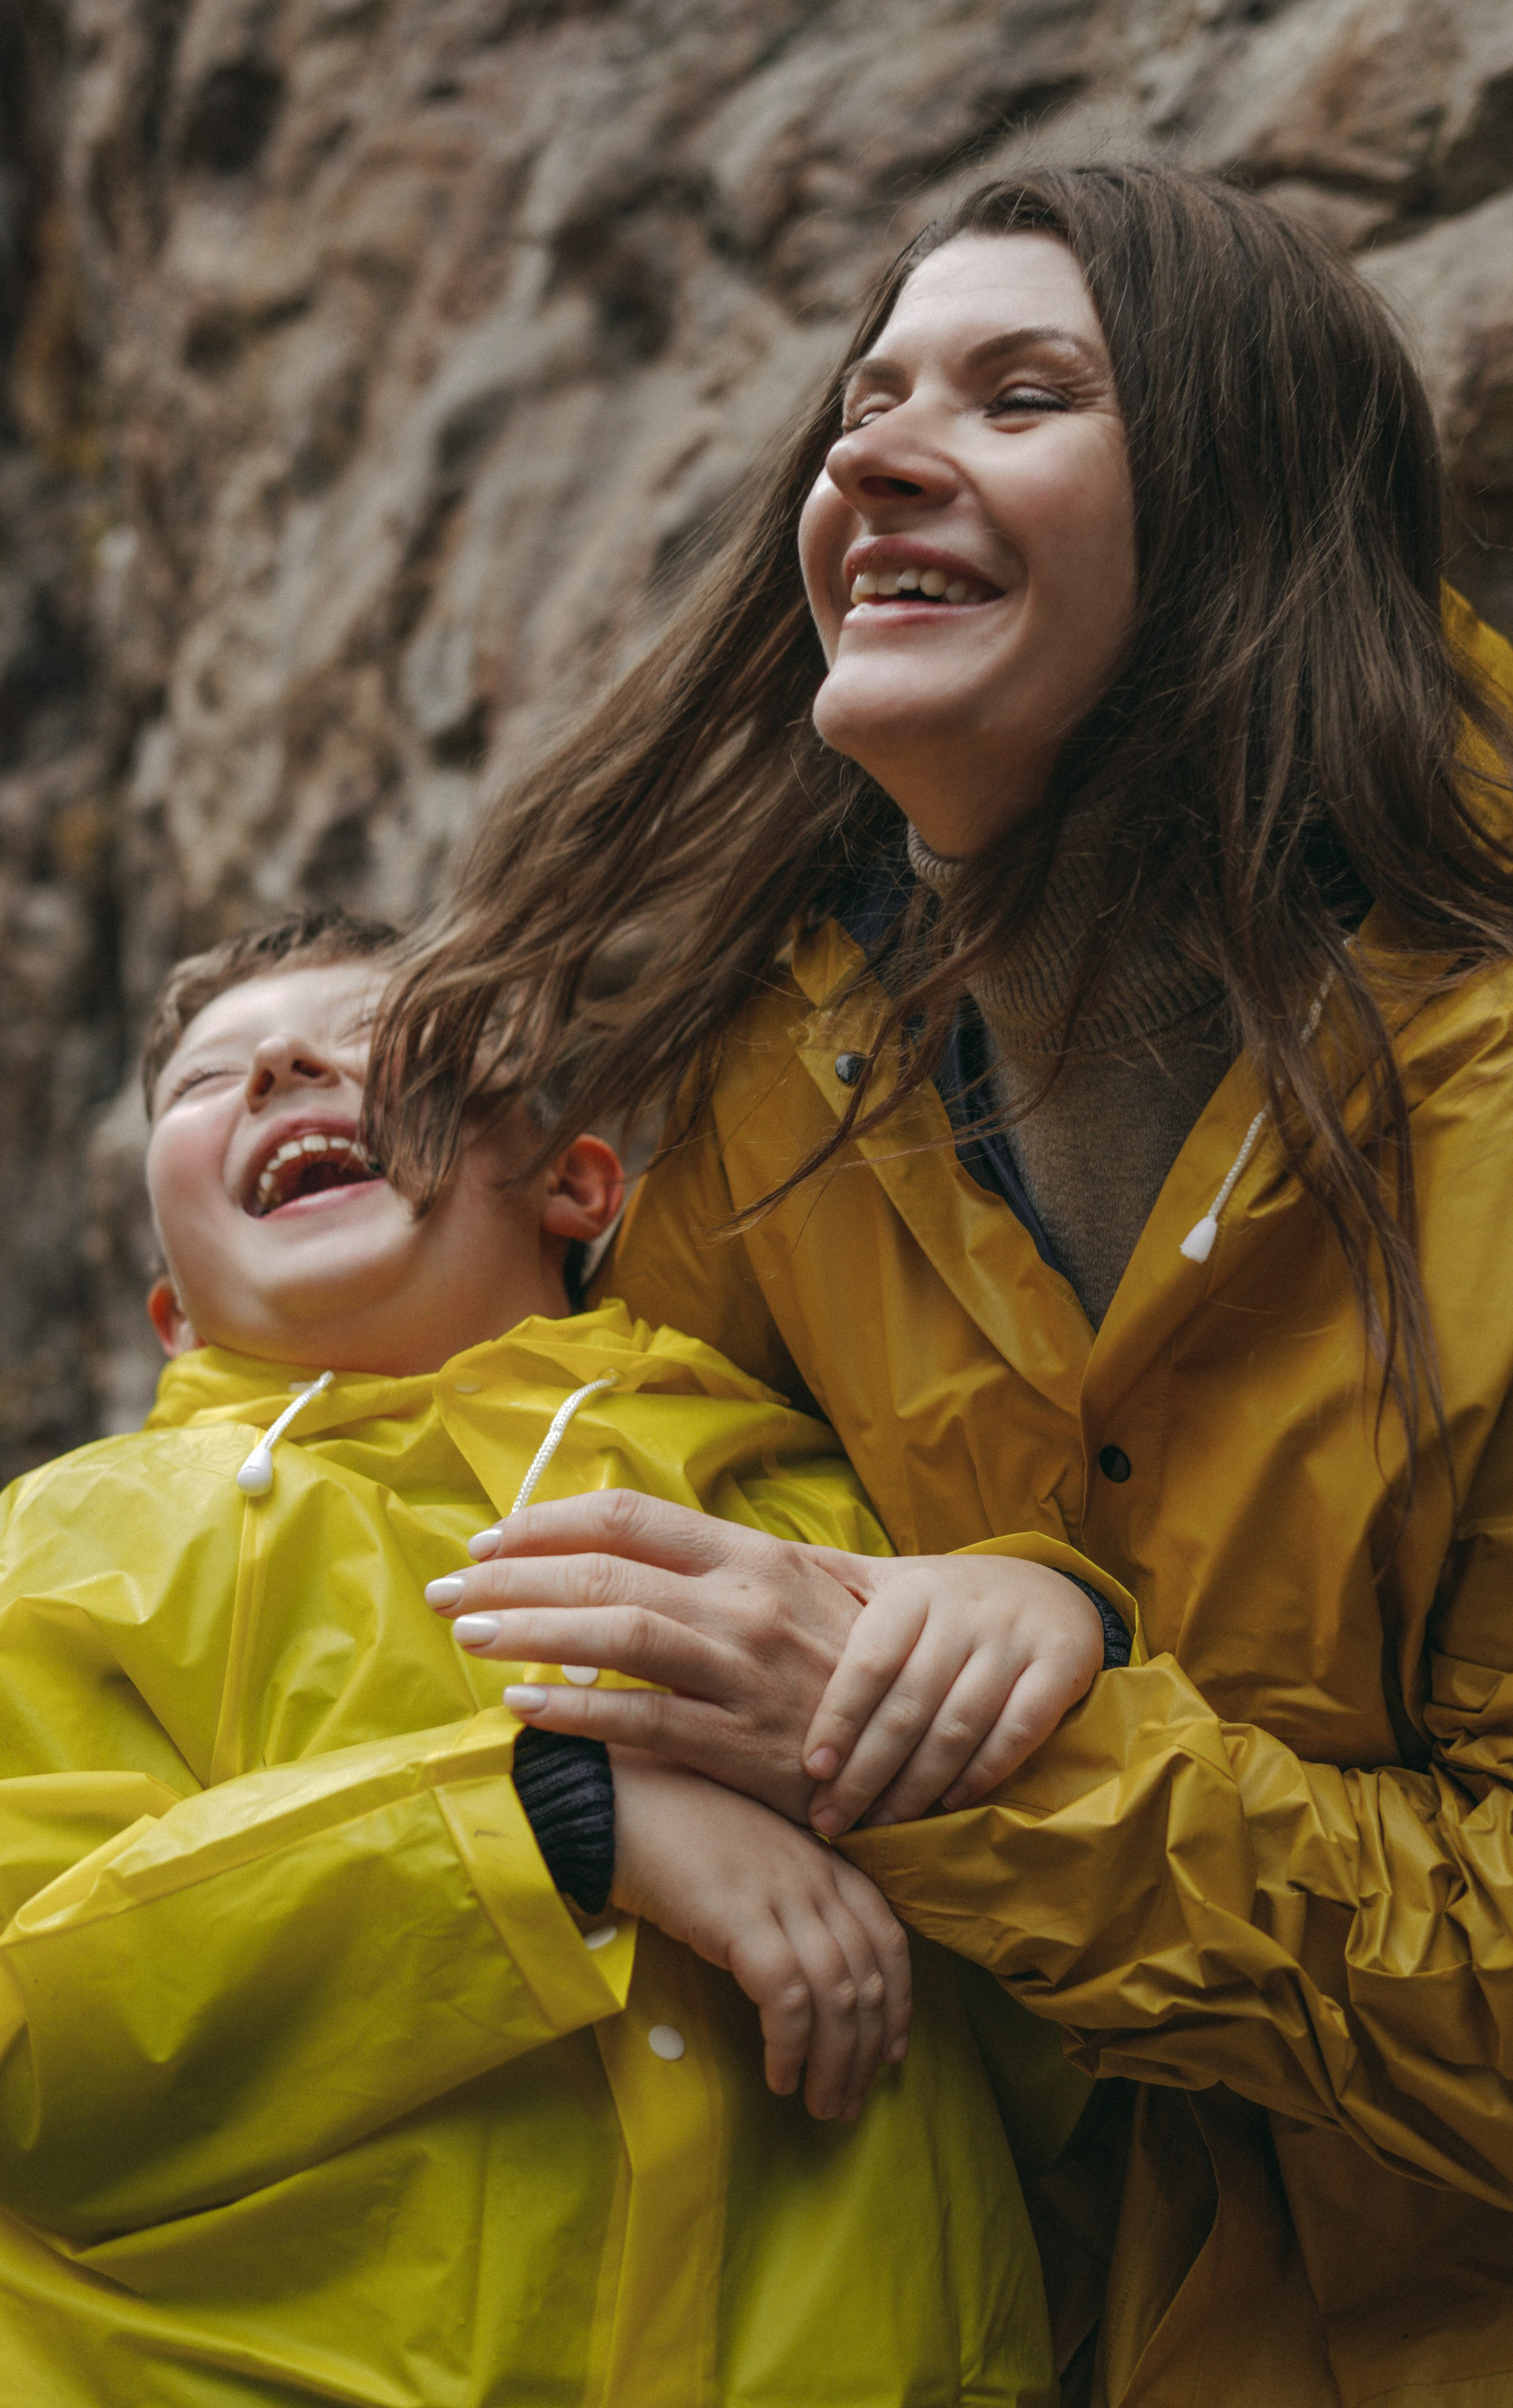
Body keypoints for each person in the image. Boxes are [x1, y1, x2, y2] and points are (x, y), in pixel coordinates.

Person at [378, 164, 1513, 2408]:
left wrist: (997, 1746)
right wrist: (612, 1803)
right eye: (867, 398)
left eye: (1024, 393)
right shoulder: (758, 1103)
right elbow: (520, 1581)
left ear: (1244, 516)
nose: (869, 450)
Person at [0, 909, 1070, 2408]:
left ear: (577, 1185)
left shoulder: (805, 1497)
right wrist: (553, 1827)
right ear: (174, 1318)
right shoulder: (62, 1552)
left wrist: (1059, 1618)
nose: (284, 1068)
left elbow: (1078, 2043)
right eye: (202, 1082)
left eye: (377, 1037)